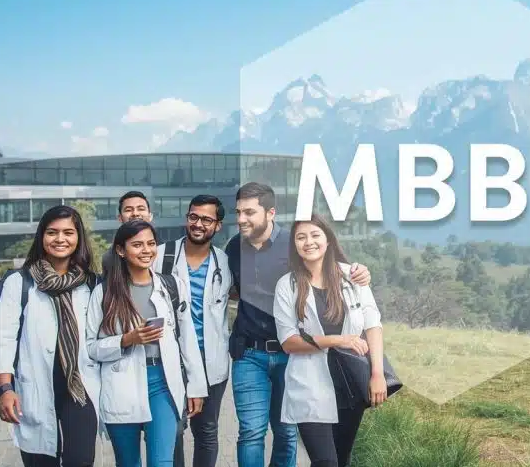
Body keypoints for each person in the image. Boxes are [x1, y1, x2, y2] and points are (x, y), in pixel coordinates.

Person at [224, 181, 372, 467]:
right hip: (249, 352)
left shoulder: (293, 243)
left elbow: (328, 266)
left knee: (286, 432)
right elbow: (230, 288)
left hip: (293, 354)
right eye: (238, 212)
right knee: (251, 432)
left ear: (270, 213)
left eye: (249, 212)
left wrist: (360, 272)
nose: (241, 219)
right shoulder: (233, 248)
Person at [0, 204, 103, 467]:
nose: (60, 239)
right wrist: (5, 389)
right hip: (35, 386)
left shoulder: (91, 283)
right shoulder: (20, 282)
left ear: (78, 238)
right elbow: (3, 338)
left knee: (81, 460)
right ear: (42, 237)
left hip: (79, 385)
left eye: (68, 232)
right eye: (52, 232)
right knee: (40, 460)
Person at [86, 220, 208, 467]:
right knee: (128, 462)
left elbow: (187, 340)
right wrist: (126, 340)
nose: (146, 250)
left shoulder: (172, 286)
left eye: (151, 244)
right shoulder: (104, 292)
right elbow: (90, 347)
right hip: (122, 384)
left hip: (163, 383)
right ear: (121, 250)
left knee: (162, 462)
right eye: (137, 245)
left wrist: (196, 387)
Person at [273, 214, 387, 467]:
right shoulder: (287, 285)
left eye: (315, 235)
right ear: (294, 245)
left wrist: (377, 374)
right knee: (325, 462)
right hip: (309, 383)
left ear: (328, 240)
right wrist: (337, 340)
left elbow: (372, 325)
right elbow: (289, 342)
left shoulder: (352, 276)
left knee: (342, 459)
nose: (308, 242)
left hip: (350, 382)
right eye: (301, 237)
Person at [152, 195, 233, 467]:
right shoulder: (161, 255)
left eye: (207, 220)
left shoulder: (224, 262)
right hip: (170, 359)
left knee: (206, 432)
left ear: (218, 225)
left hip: (211, 361)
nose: (198, 224)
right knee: (172, 431)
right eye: (194, 217)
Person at [100, 190, 154, 280]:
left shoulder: (166, 251)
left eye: (141, 209)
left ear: (150, 216)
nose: (135, 214)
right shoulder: (109, 257)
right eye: (128, 210)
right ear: (120, 218)